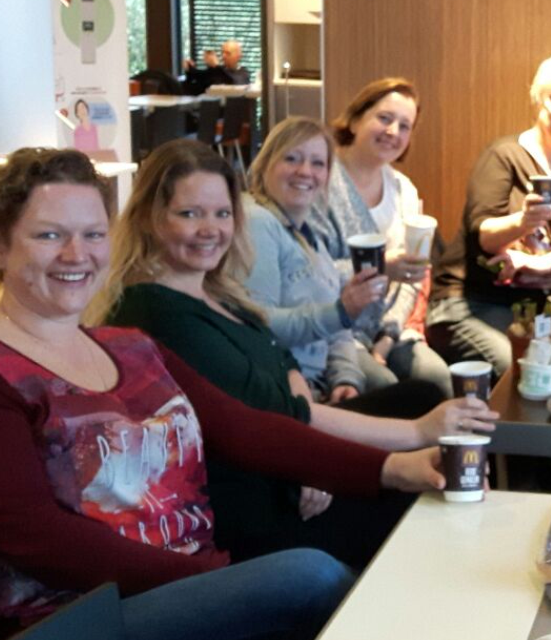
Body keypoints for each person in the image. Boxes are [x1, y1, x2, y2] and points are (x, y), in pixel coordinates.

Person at [0, 147, 446, 637]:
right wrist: (211, 577)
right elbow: (39, 538)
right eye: (49, 235)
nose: (76, 254)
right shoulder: (9, 371)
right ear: (3, 246)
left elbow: (244, 429)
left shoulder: (129, 347)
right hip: (83, 616)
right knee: (310, 576)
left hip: (193, 580)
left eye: (93, 234)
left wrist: (393, 467)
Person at [90, 139, 496, 567]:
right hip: (258, 501)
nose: (210, 229)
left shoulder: (217, 289)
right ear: (151, 218)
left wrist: (313, 448)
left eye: (222, 213)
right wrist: (409, 437)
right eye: (189, 214)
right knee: (412, 487)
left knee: (419, 395)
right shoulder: (155, 311)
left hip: (287, 449)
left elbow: (284, 361)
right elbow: (267, 417)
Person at [428, 52, 551, 376]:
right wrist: (522, 222)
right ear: (537, 98)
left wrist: (543, 263)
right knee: (524, 364)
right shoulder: (503, 156)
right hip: (474, 301)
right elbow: (482, 234)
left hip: (547, 310)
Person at [311, 77, 452, 396]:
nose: (393, 132)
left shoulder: (404, 190)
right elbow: (310, 274)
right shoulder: (321, 184)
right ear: (355, 119)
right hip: (336, 328)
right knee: (382, 387)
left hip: (388, 327)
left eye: (404, 126)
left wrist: (388, 338)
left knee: (437, 378)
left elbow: (412, 277)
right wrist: (379, 267)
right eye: (384, 118)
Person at [243, 116, 399, 402]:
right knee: (416, 397)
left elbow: (338, 331)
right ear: (265, 165)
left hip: (323, 387)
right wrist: (341, 311)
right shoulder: (257, 222)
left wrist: (346, 379)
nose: (305, 172)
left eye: (318, 163)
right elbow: (259, 324)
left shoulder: (307, 233)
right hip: (287, 393)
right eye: (292, 159)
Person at [183, 40, 250, 95]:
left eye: (228, 53)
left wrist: (216, 66)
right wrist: (189, 70)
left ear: (238, 56)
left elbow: (234, 85)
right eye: (222, 52)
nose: (223, 56)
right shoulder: (217, 71)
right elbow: (195, 86)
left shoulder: (243, 73)